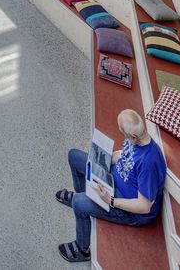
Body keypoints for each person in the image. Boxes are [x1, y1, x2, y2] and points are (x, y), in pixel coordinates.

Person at [55, 109, 167, 263]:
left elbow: (144, 206)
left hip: (129, 208)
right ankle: (87, 193)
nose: (119, 132)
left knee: (78, 203)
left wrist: (111, 201)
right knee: (73, 156)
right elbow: (123, 155)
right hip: (114, 178)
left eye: (121, 130)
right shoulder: (136, 139)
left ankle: (82, 249)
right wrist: (101, 157)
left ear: (133, 136)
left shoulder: (149, 162)